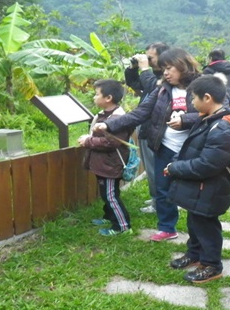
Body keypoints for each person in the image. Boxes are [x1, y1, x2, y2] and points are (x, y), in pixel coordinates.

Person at [94, 48, 202, 241]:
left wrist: (185, 120)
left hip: (192, 149)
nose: (165, 73)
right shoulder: (162, 89)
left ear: (182, 66)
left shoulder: (201, 86)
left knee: (193, 192)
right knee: (162, 188)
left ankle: (198, 235)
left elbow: (216, 111)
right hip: (165, 147)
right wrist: (109, 123)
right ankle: (167, 227)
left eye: (169, 68)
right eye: (163, 68)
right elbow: (140, 112)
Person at [166, 74, 230, 283]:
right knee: (195, 221)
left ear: (206, 98)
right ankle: (195, 254)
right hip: (199, 187)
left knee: (207, 226)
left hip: (210, 187)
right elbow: (189, 149)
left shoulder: (222, 129)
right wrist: (174, 163)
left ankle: (211, 264)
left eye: (193, 98)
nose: (191, 103)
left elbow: (207, 165)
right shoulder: (207, 120)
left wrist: (175, 168)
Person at [78, 79, 133, 236]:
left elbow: (111, 142)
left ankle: (122, 226)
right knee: (107, 193)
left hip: (110, 164)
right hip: (104, 163)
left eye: (97, 94)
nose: (94, 97)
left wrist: (89, 141)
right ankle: (109, 215)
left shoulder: (117, 119)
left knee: (110, 195)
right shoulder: (105, 115)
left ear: (108, 98)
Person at [125, 42, 170, 215]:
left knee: (155, 168)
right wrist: (133, 68)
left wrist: (145, 69)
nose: (148, 60)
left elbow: (153, 87)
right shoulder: (154, 74)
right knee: (152, 168)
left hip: (156, 129)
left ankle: (159, 204)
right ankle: (156, 199)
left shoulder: (166, 77)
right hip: (147, 126)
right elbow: (134, 83)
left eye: (151, 57)